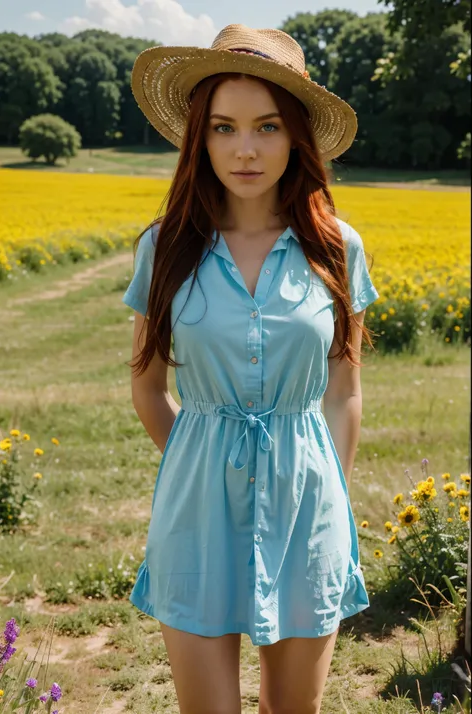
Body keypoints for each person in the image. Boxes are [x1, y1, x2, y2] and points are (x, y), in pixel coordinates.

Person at [122, 23, 380, 714]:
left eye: (266, 126)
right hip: (197, 509)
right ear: (198, 138)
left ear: (296, 134)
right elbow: (148, 389)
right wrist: (200, 459)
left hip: (309, 505)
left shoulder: (337, 246)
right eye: (223, 127)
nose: (244, 149)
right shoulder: (165, 245)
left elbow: (344, 390)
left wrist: (326, 491)